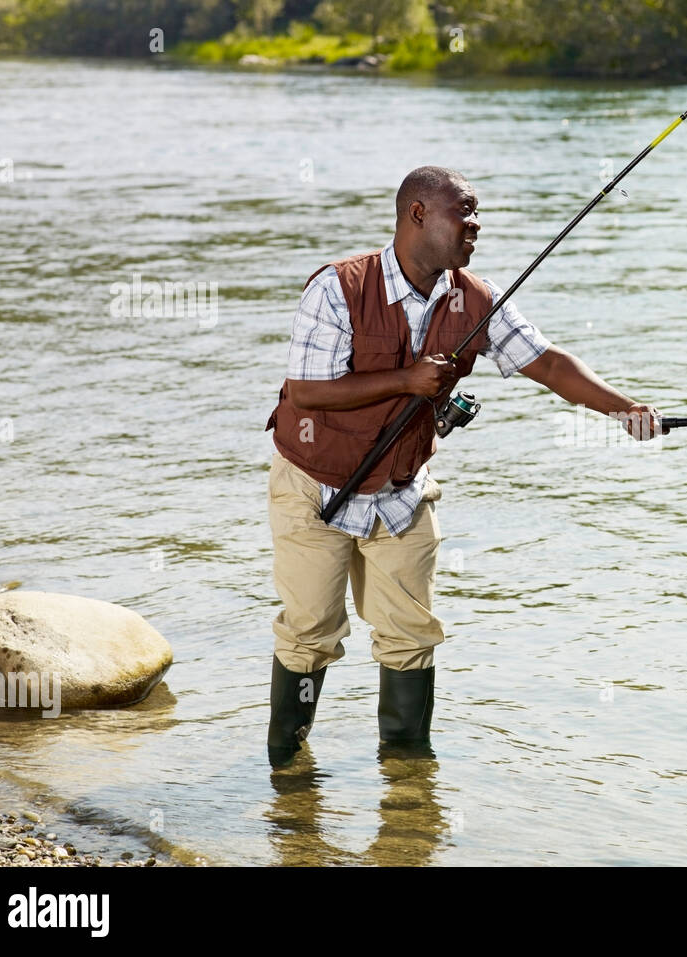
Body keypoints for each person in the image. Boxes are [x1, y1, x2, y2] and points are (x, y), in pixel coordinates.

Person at [264, 165, 663, 768]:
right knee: (310, 631)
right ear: (417, 214)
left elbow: (549, 363)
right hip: (312, 486)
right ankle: (288, 776)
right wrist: (407, 380)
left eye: (476, 214)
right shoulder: (338, 288)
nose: (475, 225)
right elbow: (309, 391)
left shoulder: (474, 297)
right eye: (464, 212)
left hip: (401, 491)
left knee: (410, 634)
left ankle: (409, 785)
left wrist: (623, 409)